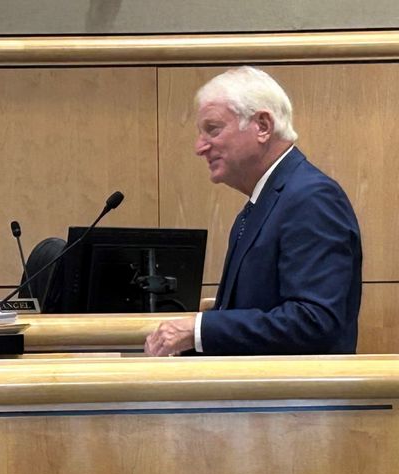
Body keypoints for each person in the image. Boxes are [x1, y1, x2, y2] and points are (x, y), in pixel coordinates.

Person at [145, 66, 362, 356]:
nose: (200, 147)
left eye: (213, 129)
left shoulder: (312, 198)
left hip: (295, 397)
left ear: (262, 126)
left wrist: (199, 330)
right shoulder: (263, 202)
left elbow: (315, 322)